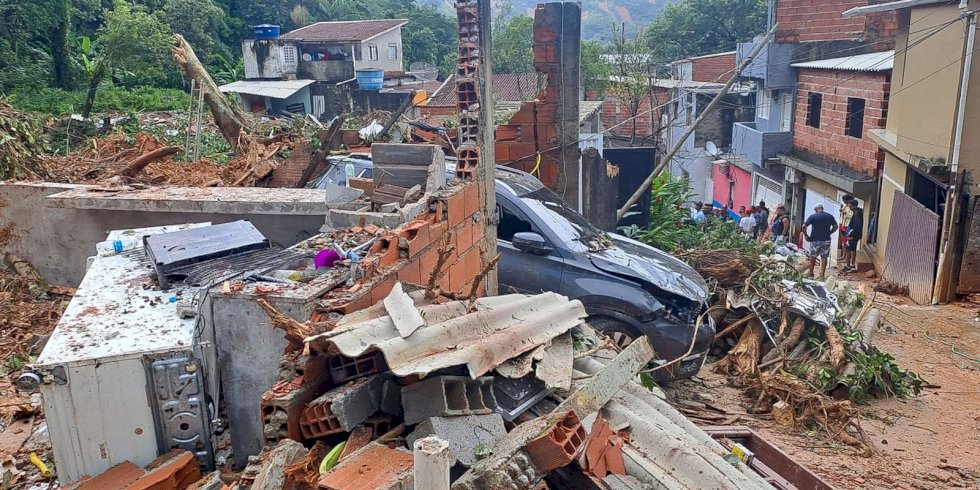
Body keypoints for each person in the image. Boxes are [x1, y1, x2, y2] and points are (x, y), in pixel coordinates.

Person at [802, 203, 838, 279]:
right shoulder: (829, 216)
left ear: (816, 209)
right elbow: (835, 226)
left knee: (813, 256)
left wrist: (806, 235)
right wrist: (830, 232)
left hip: (815, 240)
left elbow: (804, 226)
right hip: (826, 240)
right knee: (824, 257)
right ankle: (822, 274)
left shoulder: (813, 216)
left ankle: (811, 272)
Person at [842, 199, 864, 273]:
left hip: (853, 234)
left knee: (849, 248)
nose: (848, 206)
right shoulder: (857, 212)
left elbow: (857, 225)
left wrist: (850, 232)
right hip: (854, 234)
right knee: (850, 248)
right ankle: (850, 265)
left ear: (854, 205)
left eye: (850, 205)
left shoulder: (857, 213)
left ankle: (851, 266)